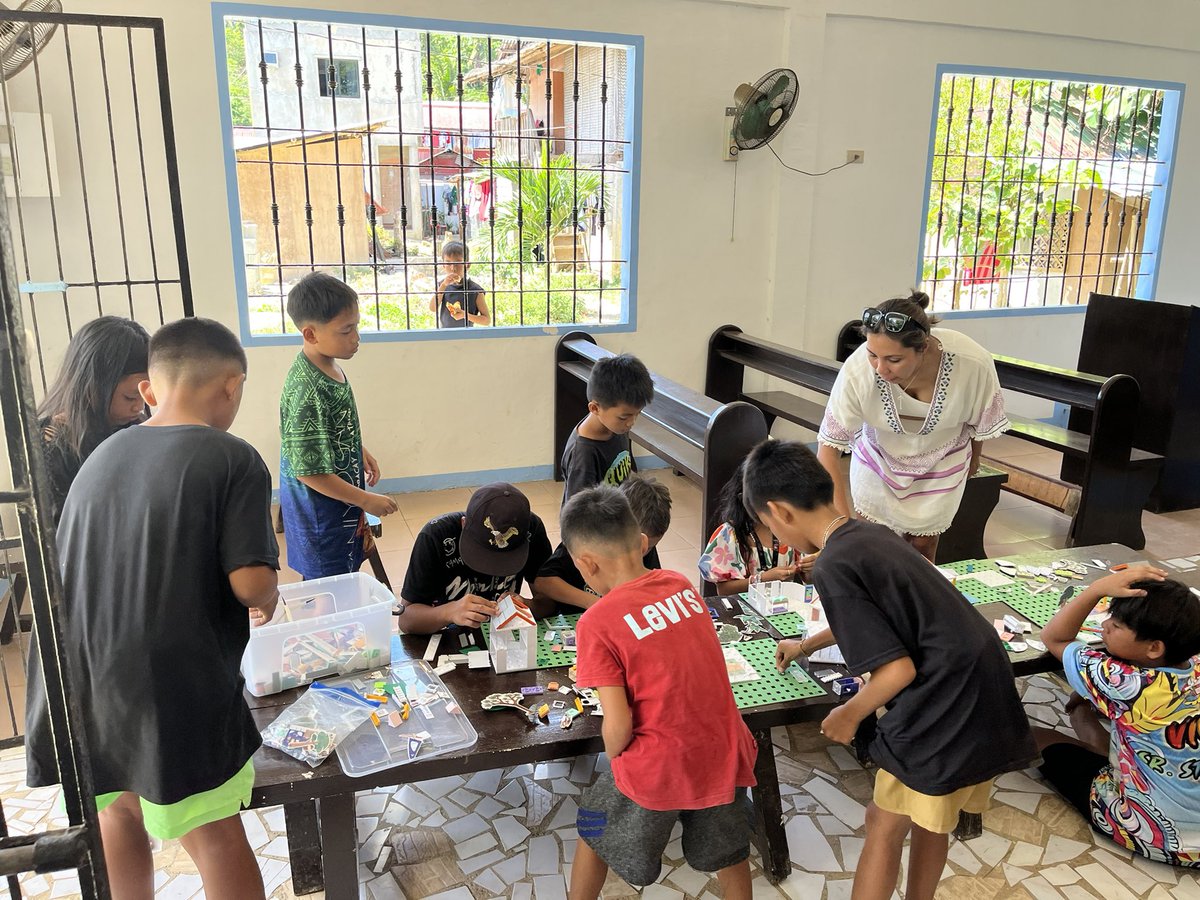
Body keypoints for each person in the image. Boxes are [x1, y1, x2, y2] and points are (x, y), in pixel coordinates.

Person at [25, 318, 280, 899]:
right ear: (232, 386)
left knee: (115, 813)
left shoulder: (103, 452)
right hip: (163, 682)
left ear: (150, 388)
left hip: (75, 671)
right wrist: (270, 595)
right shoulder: (234, 458)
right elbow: (249, 583)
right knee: (212, 831)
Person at [744, 439, 1036, 900]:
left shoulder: (832, 564)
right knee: (931, 817)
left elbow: (896, 671)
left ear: (779, 512)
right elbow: (876, 616)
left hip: (944, 699)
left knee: (883, 823)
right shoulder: (867, 534)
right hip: (983, 679)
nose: (776, 535)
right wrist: (804, 645)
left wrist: (849, 714)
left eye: (768, 525)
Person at [564, 486, 756, 900]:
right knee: (730, 851)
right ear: (640, 542)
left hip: (660, 765)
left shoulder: (596, 622)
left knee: (593, 827)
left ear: (585, 563)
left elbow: (619, 725)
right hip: (725, 750)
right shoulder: (680, 584)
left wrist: (616, 759)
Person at [817, 290, 1008, 562]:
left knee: (923, 547)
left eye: (894, 360)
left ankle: (918, 589)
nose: (880, 369)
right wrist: (841, 529)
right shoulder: (858, 370)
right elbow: (828, 450)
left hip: (943, 458)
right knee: (874, 546)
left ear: (924, 347)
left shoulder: (971, 362)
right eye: (873, 355)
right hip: (879, 457)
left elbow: (980, 421)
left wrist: (974, 459)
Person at [1032, 567, 1200, 867]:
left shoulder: (1124, 683)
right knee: (1098, 720)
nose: (1105, 625)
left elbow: (1054, 637)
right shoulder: (1194, 666)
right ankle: (1085, 716)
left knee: (1035, 737)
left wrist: (1096, 589)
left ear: (1154, 647)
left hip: (1154, 832)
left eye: (1117, 624)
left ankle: (1086, 729)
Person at [279, 272, 397, 580]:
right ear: (311, 334)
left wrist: (358, 449)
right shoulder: (307, 390)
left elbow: (332, 428)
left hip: (341, 506)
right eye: (346, 330)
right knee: (328, 585)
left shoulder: (328, 365)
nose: (356, 337)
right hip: (321, 516)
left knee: (345, 573)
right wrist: (366, 500)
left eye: (356, 326)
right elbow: (309, 472)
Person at [36, 315, 150, 525]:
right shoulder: (50, 443)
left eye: (147, 395)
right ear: (92, 386)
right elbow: (59, 529)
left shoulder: (140, 429)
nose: (139, 407)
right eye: (130, 397)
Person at [398, 482, 553, 634]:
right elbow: (406, 620)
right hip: (447, 635)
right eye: (484, 554)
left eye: (506, 558)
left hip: (501, 634)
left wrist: (527, 606)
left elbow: (549, 601)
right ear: (464, 523)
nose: (493, 567)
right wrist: (449, 612)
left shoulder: (531, 529)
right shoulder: (436, 536)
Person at [533, 473, 671, 612]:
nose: (639, 552)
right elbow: (543, 582)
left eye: (648, 547)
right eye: (635, 543)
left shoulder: (645, 549)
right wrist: (594, 603)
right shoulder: (585, 540)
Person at [698, 459, 813, 595]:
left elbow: (808, 580)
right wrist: (762, 579)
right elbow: (723, 590)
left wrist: (810, 568)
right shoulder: (730, 534)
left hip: (785, 604)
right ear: (744, 499)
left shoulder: (793, 529)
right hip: (745, 607)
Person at [560, 352, 654, 506]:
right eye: (624, 417)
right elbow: (578, 512)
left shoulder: (616, 426)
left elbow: (626, 466)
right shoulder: (583, 455)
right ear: (595, 408)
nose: (631, 423)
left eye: (638, 413)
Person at [430, 240, 490, 328]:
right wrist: (443, 286)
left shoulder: (475, 290)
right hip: (445, 334)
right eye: (448, 263)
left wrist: (465, 315)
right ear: (443, 265)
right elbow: (432, 308)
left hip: (466, 334)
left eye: (458, 263)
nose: (453, 268)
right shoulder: (442, 286)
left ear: (467, 265)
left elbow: (487, 320)